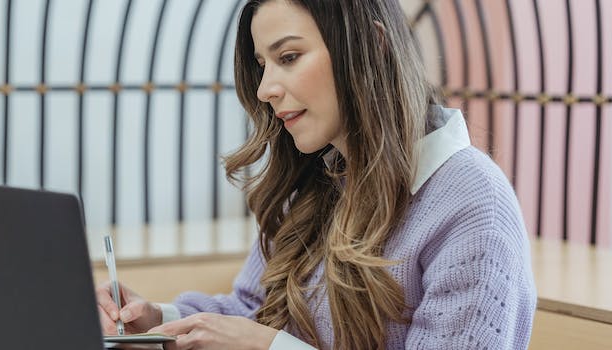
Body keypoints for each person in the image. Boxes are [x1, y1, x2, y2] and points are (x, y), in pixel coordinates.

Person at [96, 0, 537, 348]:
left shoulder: (475, 205)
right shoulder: (313, 181)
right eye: (263, 64)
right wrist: (158, 322)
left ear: (373, 46)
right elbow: (256, 310)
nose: (266, 88)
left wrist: (271, 348)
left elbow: (263, 338)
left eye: (288, 56)